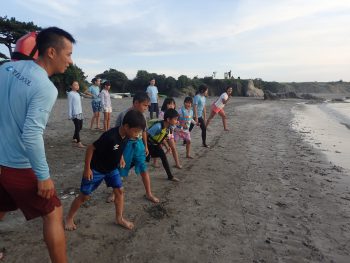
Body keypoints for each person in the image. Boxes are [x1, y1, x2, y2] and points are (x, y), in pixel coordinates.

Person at [0, 26, 75, 263]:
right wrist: (43, 175)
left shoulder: (6, 68)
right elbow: (31, 134)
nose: (70, 62)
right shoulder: (45, 87)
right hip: (15, 165)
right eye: (69, 54)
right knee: (53, 212)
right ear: (51, 52)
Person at [65, 110, 146, 231]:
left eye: (139, 132)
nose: (137, 135)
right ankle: (69, 218)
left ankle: (119, 218)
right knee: (84, 196)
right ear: (126, 126)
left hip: (112, 169)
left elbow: (120, 147)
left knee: (119, 191)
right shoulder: (110, 136)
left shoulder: (127, 135)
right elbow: (90, 148)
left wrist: (121, 158)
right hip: (96, 170)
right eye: (135, 131)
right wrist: (87, 169)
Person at [107, 92, 159, 203]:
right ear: (136, 103)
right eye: (145, 105)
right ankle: (114, 193)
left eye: (147, 105)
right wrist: (120, 153)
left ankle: (149, 193)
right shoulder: (123, 114)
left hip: (138, 145)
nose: (147, 108)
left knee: (143, 169)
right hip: (125, 146)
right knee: (120, 169)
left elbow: (144, 131)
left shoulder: (143, 116)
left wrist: (145, 146)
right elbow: (117, 134)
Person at [146, 109, 180, 182]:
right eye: (175, 119)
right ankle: (121, 171)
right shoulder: (158, 126)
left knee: (164, 158)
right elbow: (145, 135)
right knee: (139, 160)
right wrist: (145, 148)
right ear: (168, 119)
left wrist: (167, 147)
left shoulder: (168, 128)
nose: (177, 121)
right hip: (148, 145)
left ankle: (170, 176)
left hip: (156, 145)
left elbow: (162, 138)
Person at [153, 97, 182, 169]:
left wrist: (177, 124)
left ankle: (177, 163)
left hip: (169, 133)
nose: (171, 105)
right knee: (159, 146)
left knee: (173, 148)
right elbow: (160, 123)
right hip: (161, 132)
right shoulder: (162, 113)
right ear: (165, 105)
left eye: (173, 104)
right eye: (169, 104)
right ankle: (155, 161)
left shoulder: (174, 113)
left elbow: (174, 125)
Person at [68, 80, 85, 148]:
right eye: (75, 85)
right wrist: (70, 115)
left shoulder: (78, 94)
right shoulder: (70, 94)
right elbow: (70, 105)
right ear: (71, 86)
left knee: (80, 127)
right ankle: (79, 142)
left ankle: (74, 138)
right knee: (77, 127)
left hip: (80, 113)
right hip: (74, 113)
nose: (77, 86)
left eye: (77, 85)